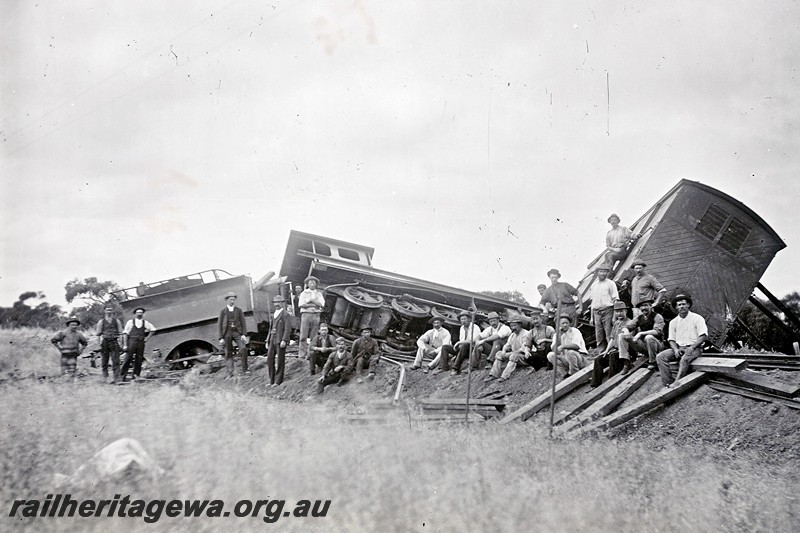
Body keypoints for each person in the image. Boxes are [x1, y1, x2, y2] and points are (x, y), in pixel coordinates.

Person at [655, 294, 708, 387]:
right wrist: (675, 350)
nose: (682, 307)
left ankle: (677, 383)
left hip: (695, 348)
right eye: (679, 305)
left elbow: (703, 336)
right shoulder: (673, 322)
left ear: (688, 305)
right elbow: (671, 339)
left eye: (684, 304)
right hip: (679, 348)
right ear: (676, 307)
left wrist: (692, 347)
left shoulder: (697, 318)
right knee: (660, 357)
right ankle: (668, 383)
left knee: (684, 360)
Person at [618, 299, 665, 373]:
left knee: (648, 337)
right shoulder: (639, 318)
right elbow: (628, 326)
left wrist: (641, 333)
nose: (643, 308)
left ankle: (653, 362)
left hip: (657, 346)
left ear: (650, 306)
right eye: (641, 306)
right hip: (645, 346)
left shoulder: (657, 316)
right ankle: (627, 362)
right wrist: (626, 330)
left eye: (646, 305)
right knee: (622, 336)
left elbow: (657, 331)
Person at [590, 301, 629, 387]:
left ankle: (610, 382)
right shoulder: (616, 323)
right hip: (616, 351)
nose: (619, 313)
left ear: (626, 311)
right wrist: (606, 351)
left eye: (621, 311)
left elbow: (630, 340)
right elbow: (612, 339)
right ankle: (595, 384)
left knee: (612, 356)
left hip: (626, 353)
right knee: (599, 359)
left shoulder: (630, 323)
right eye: (617, 311)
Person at [485, 314, 530, 383]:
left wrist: (513, 352)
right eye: (511, 326)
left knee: (513, 355)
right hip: (515, 354)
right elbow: (507, 345)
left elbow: (524, 348)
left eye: (515, 325)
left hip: (525, 356)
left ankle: (504, 376)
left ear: (520, 325)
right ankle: (494, 374)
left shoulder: (526, 334)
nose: (513, 327)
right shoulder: (512, 335)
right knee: (499, 354)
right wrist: (503, 351)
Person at [437, 311, 482, 375]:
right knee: (445, 347)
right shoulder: (462, 328)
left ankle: (455, 369)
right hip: (462, 349)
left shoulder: (475, 327)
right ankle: (443, 367)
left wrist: (459, 343)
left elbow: (473, 340)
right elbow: (462, 340)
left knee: (465, 345)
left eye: (465, 319)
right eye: (462, 319)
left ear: (469, 319)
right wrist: (458, 346)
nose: (463, 321)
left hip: (471, 350)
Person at [120, 307, 157, 382]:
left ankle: (136, 376)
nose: (139, 314)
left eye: (141, 312)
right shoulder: (130, 322)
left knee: (139, 359)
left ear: (143, 314)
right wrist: (125, 345)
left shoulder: (145, 322)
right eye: (138, 312)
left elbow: (153, 329)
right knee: (128, 359)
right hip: (132, 341)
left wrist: (147, 338)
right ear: (135, 313)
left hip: (140, 342)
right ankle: (122, 376)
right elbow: (125, 333)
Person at [547, 315, 589, 379]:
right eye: (563, 323)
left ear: (569, 323)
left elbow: (577, 346)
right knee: (550, 355)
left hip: (579, 358)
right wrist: (559, 336)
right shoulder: (556, 335)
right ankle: (566, 375)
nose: (565, 325)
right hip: (567, 360)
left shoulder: (574, 331)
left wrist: (563, 346)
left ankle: (575, 374)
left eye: (566, 323)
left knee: (569, 352)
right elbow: (554, 350)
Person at [218, 291, 249, 378]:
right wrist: (221, 337)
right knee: (228, 352)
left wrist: (243, 334)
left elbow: (243, 323)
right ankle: (230, 372)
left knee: (243, 348)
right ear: (227, 300)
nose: (232, 301)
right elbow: (220, 325)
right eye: (230, 299)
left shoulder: (238, 310)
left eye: (233, 299)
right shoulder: (223, 311)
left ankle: (245, 369)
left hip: (236, 332)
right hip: (227, 333)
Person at [589, 264, 619, 351]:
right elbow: (593, 302)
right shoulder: (594, 285)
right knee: (599, 335)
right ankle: (601, 353)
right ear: (597, 272)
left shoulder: (611, 283)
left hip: (608, 311)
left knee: (609, 333)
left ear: (607, 273)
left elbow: (615, 300)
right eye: (601, 271)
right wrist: (591, 317)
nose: (602, 274)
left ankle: (611, 351)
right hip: (596, 312)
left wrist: (614, 316)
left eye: (605, 271)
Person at [298, 276, 325, 360]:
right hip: (306, 314)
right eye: (310, 282)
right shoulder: (304, 293)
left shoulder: (319, 294)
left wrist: (311, 301)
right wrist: (314, 304)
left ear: (316, 284)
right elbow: (301, 304)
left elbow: (321, 304)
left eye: (314, 282)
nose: (312, 284)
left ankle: (311, 355)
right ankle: (302, 355)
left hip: (316, 315)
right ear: (307, 284)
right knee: (303, 336)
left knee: (314, 336)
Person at [95, 305, 124, 384]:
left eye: (110, 310)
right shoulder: (101, 322)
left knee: (116, 361)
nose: (109, 311)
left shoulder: (117, 321)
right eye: (107, 310)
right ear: (104, 311)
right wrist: (98, 345)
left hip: (114, 342)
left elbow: (121, 333)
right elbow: (98, 335)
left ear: (112, 311)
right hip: (105, 342)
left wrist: (121, 344)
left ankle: (117, 379)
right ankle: (105, 378)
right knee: (104, 361)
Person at [266, 295, 291, 386]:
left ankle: (278, 381)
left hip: (280, 340)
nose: (277, 304)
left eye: (279, 302)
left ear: (282, 303)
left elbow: (288, 328)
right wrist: (267, 340)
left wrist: (284, 340)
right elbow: (270, 328)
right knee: (269, 359)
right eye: (275, 303)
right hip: (272, 339)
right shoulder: (273, 314)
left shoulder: (285, 314)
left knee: (280, 360)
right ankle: (271, 380)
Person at [525, 308, 555, 372]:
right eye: (533, 319)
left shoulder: (548, 329)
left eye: (537, 319)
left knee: (548, 345)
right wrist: (527, 352)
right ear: (531, 321)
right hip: (540, 353)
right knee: (528, 356)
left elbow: (556, 341)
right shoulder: (531, 332)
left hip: (550, 351)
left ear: (541, 319)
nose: (535, 321)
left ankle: (550, 365)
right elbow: (528, 345)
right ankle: (538, 367)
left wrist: (545, 340)